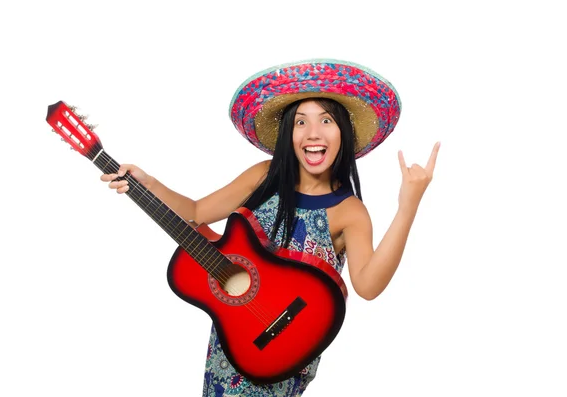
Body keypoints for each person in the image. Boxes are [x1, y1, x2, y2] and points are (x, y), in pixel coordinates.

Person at [100, 59, 440, 396]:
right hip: (232, 346)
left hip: (283, 354)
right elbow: (197, 211)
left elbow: (367, 285)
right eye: (301, 122)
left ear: (344, 133)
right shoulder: (264, 176)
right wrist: (148, 182)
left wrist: (408, 206)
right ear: (288, 132)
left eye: (326, 120)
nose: (313, 134)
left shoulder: (349, 211)